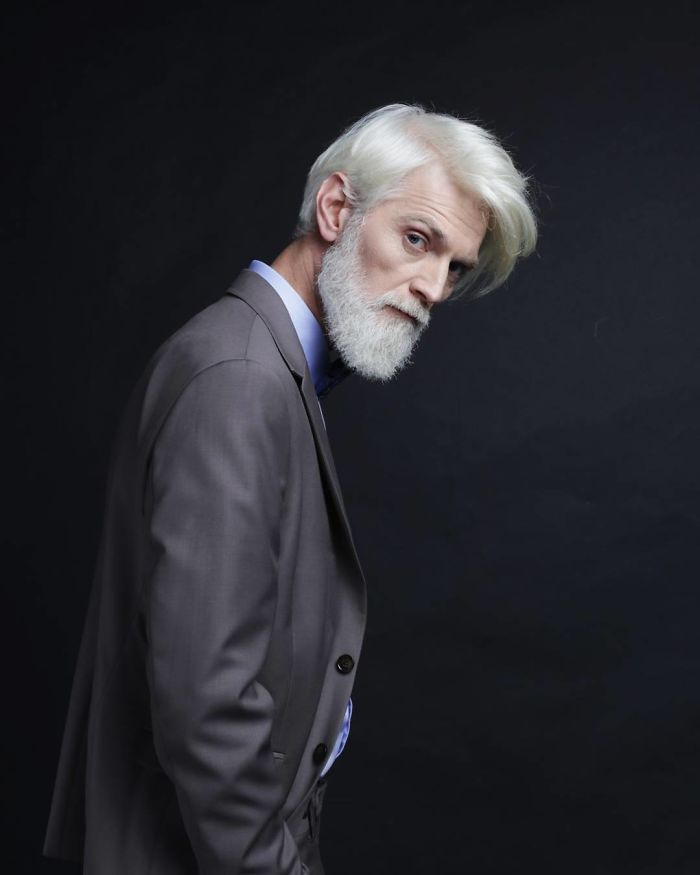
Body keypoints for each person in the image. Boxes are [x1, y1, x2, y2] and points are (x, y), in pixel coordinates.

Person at [42, 103, 537, 875]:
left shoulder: (270, 369)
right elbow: (207, 703)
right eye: (418, 239)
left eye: (455, 267)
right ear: (336, 208)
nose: (434, 288)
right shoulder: (240, 379)